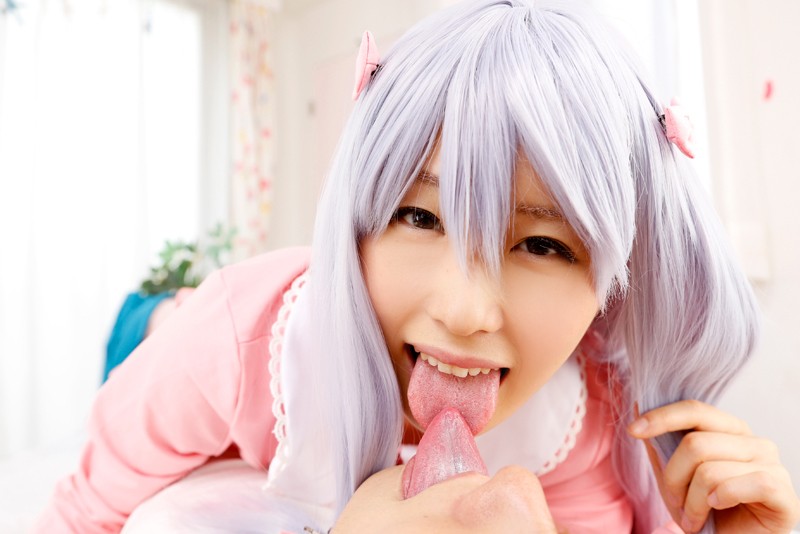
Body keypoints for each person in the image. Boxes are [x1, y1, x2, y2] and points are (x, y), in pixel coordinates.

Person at [35, 1, 800, 532]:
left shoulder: (592, 417)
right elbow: (79, 514)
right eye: (421, 216)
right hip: (175, 331)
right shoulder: (237, 341)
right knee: (151, 328)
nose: (465, 310)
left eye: (542, 245)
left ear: (609, 285)